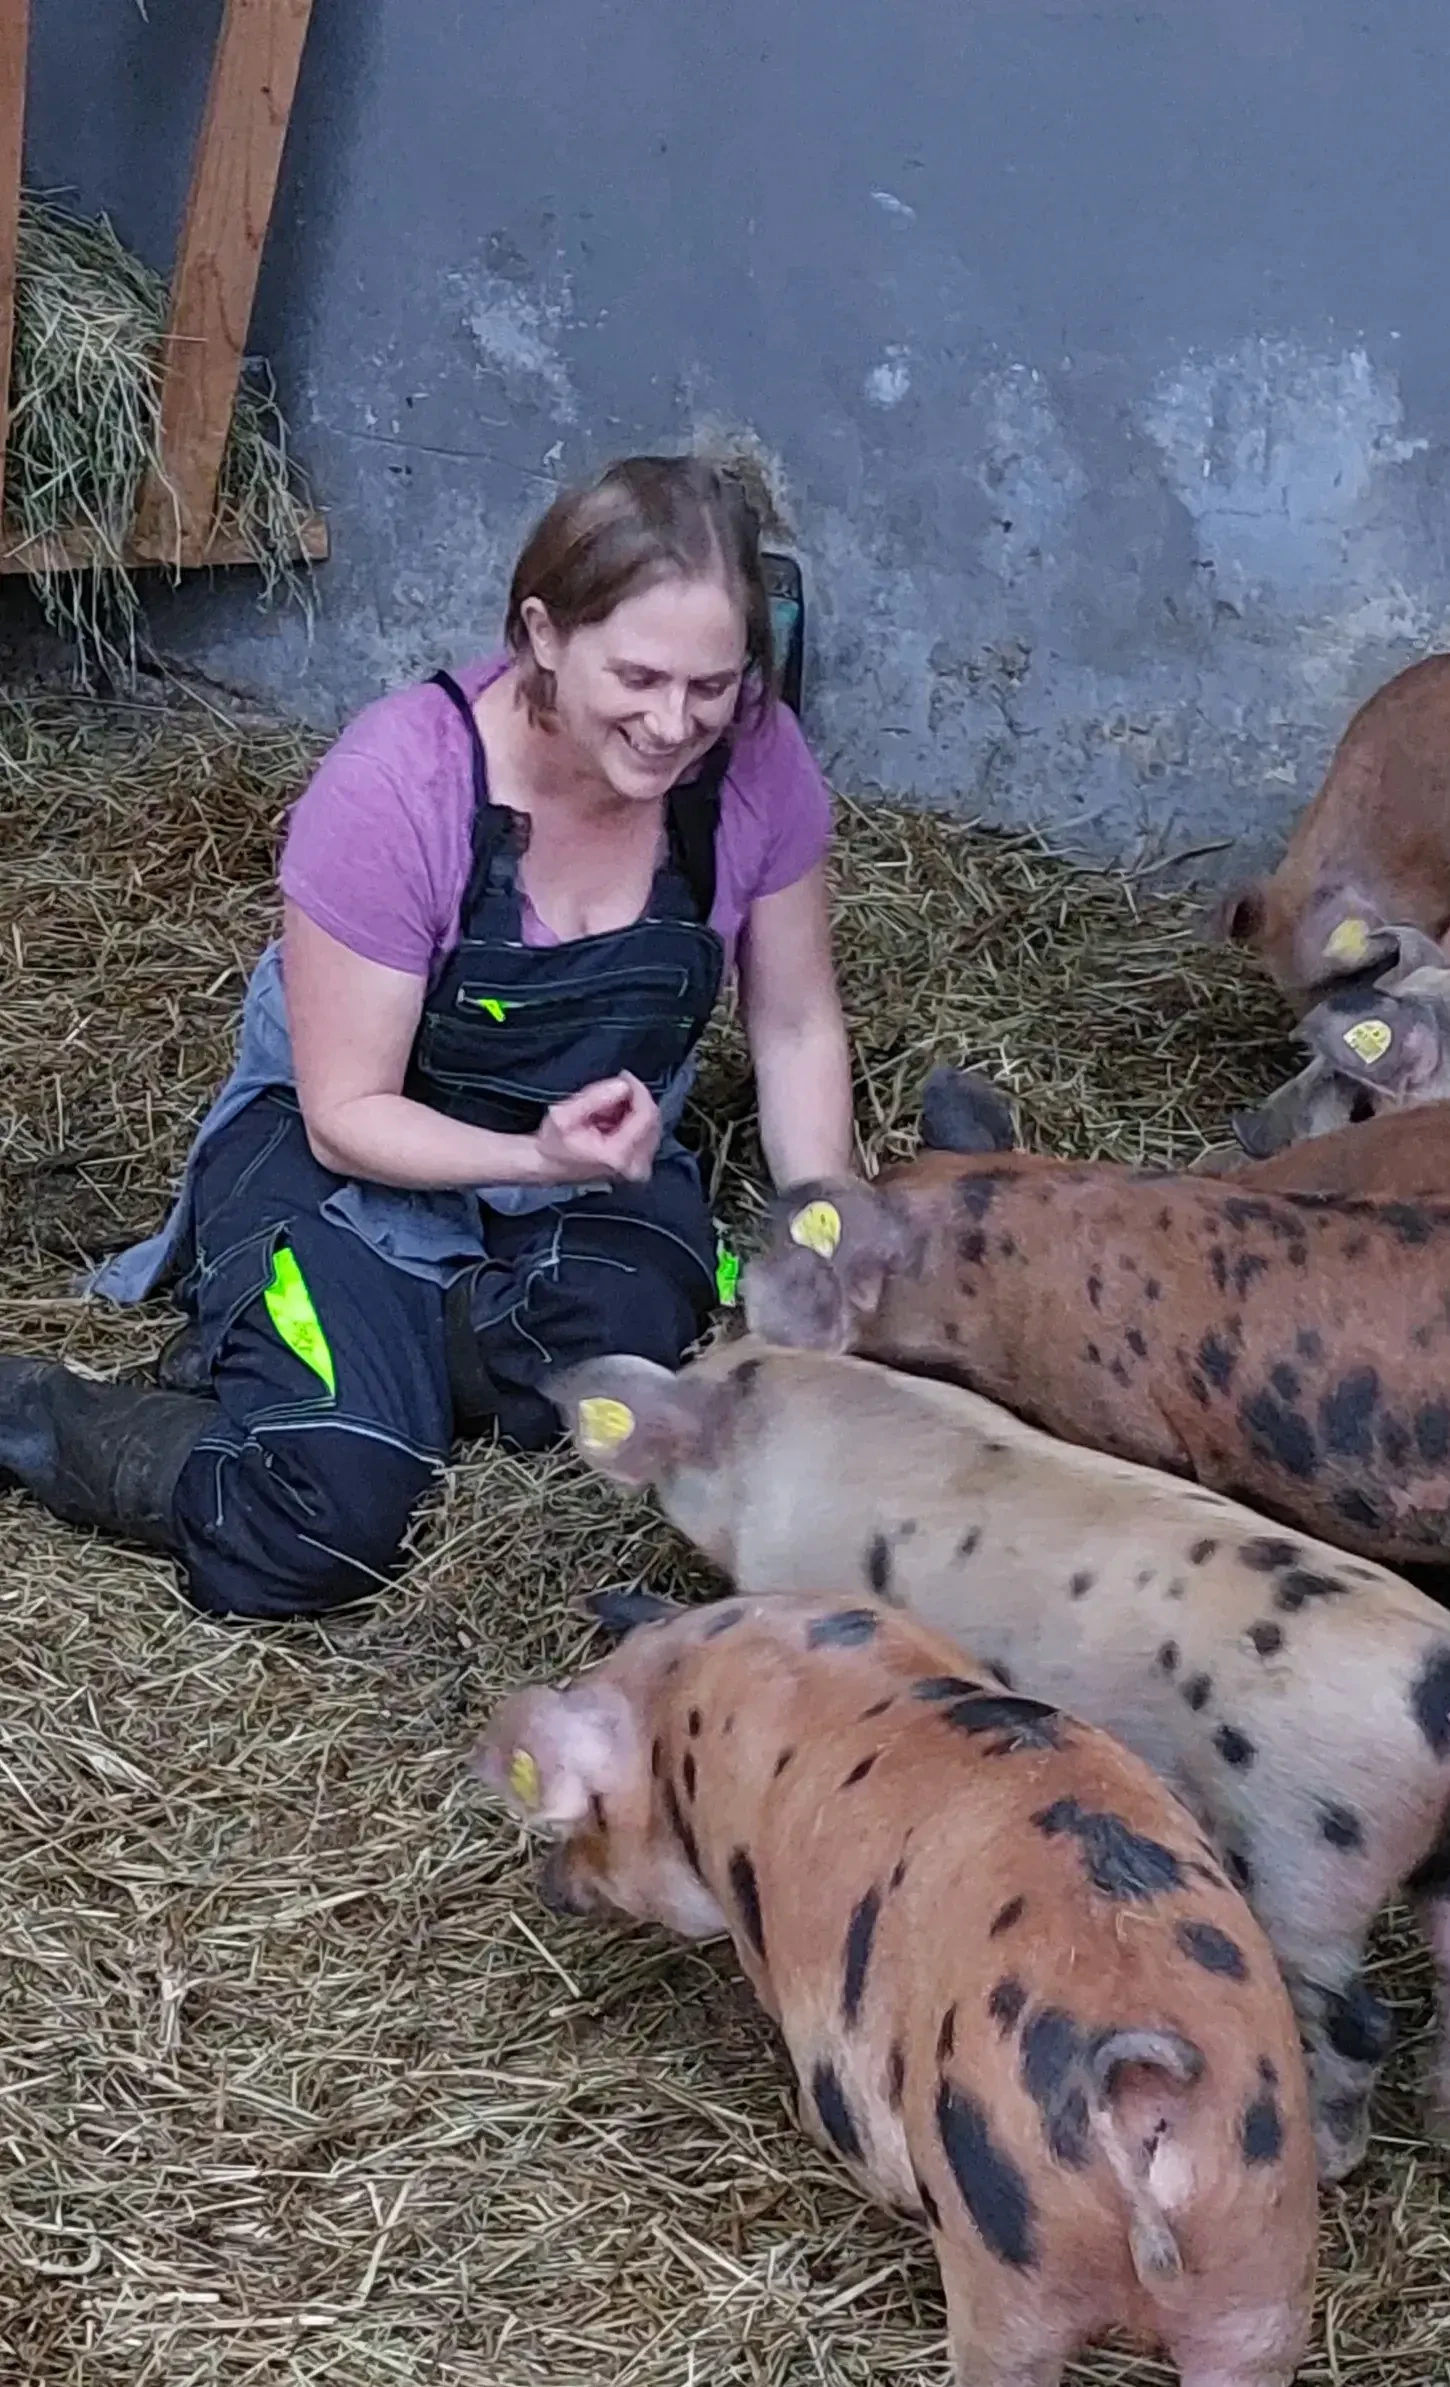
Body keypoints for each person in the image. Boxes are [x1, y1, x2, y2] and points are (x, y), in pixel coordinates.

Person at [0, 455, 853, 1615]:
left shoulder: (750, 757)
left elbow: (795, 1023)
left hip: (590, 1169)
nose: (673, 724)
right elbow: (345, 1116)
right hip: (352, 1155)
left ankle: (339, 1358)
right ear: (543, 634)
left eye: (711, 684)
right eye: (639, 677)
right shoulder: (400, 783)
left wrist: (827, 1231)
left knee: (622, 1369)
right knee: (328, 1519)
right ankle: (60, 1415)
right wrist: (536, 1159)